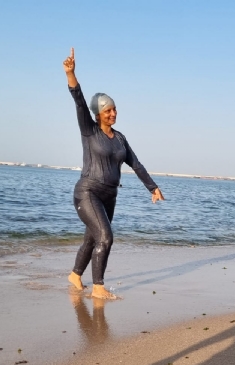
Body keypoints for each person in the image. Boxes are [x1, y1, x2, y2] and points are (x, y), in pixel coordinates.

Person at [63, 48, 164, 299]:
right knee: (105, 237)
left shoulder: (120, 138)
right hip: (88, 192)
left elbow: (136, 164)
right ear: (98, 114)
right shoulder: (89, 130)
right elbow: (78, 100)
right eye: (108, 110)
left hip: (109, 197)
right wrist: (71, 74)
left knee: (92, 240)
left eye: (115, 109)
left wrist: (153, 187)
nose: (113, 113)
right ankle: (98, 287)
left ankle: (75, 275)